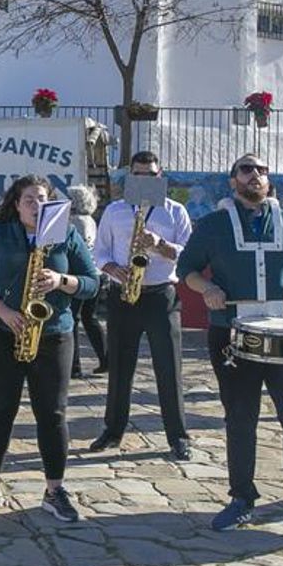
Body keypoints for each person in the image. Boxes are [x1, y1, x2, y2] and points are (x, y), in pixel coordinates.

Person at [178, 154, 283, 538]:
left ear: (269, 180)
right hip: (232, 334)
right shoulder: (213, 224)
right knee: (240, 418)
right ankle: (241, 500)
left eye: (262, 171)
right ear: (233, 180)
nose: (255, 175)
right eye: (247, 170)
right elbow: (186, 269)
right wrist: (208, 288)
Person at [0, 175, 99, 523]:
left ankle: (54, 491)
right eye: (29, 200)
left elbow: (92, 282)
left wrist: (61, 281)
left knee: (52, 415)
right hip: (4, 334)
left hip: (53, 336)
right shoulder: (0, 233)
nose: (36, 206)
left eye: (42, 199)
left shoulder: (67, 235)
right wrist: (1, 310)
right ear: (16, 205)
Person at [88, 152, 194, 458]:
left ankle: (178, 436)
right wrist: (112, 268)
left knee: (168, 367)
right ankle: (113, 431)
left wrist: (159, 245)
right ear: (129, 177)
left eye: (150, 175)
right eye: (138, 174)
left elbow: (189, 253)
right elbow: (100, 251)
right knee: (120, 367)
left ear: (160, 176)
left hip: (161, 295)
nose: (144, 180)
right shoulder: (115, 211)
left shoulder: (175, 211)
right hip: (123, 294)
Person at [66, 184, 108, 378]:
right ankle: (105, 358)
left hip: (79, 276)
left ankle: (73, 366)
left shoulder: (74, 222)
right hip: (96, 274)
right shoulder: (90, 220)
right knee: (90, 318)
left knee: (73, 320)